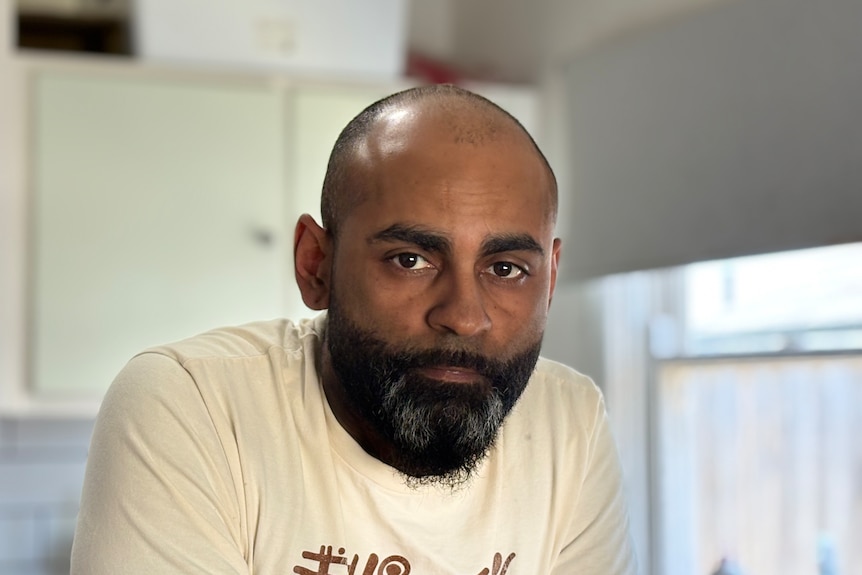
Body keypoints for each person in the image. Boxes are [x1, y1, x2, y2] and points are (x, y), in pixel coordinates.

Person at [70, 84, 637, 574]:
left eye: (506, 269)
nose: (464, 316)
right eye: (410, 259)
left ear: (552, 279)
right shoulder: (194, 406)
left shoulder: (569, 421)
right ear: (316, 265)